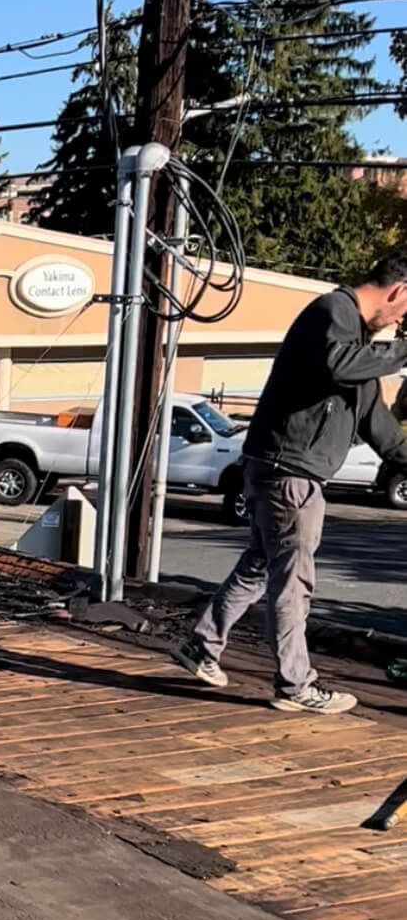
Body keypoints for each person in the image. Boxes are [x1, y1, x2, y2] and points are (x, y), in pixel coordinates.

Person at [171, 253, 407, 714]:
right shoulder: (332, 313)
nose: (399, 324)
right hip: (290, 472)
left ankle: (202, 646)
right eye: (405, 313)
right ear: (399, 291)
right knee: (293, 581)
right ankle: (295, 683)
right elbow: (340, 365)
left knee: (259, 566)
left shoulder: (354, 344)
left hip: (278, 467)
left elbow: (376, 423)